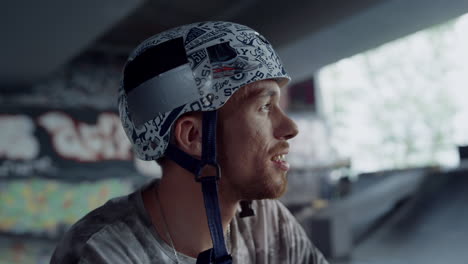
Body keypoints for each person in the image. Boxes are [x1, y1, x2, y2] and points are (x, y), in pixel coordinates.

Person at [50, 21, 328, 264]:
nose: (290, 128)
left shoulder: (264, 223)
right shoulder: (102, 253)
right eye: (265, 106)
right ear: (193, 137)